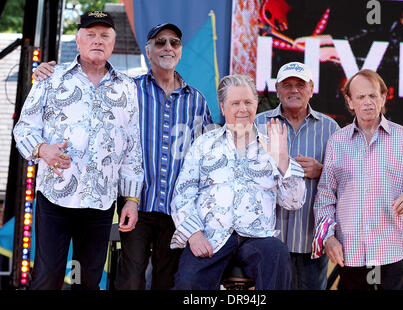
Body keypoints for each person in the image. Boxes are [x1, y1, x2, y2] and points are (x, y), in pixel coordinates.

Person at [33, 23, 214, 290]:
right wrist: (42, 74)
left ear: (180, 51)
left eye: (174, 43)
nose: (167, 47)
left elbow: (208, 154)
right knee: (129, 280)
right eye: (160, 42)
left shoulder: (197, 100)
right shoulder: (128, 89)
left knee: (167, 281)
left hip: (178, 207)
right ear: (148, 50)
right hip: (137, 202)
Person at [13, 11, 144, 290]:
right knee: (47, 277)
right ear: (78, 39)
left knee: (87, 281)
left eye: (104, 35)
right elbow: (23, 129)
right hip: (55, 200)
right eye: (91, 34)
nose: (97, 40)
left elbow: (132, 149)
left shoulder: (127, 88)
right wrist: (41, 149)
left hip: (100, 204)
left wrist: (131, 198)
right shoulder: (51, 77)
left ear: (113, 42)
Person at [170, 74, 307, 290]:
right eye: (235, 103)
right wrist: (194, 234)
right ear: (223, 108)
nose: (242, 109)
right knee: (188, 281)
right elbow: (182, 194)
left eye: (248, 102)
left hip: (258, 237)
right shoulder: (204, 144)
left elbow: (294, 202)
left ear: (256, 105)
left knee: (277, 256)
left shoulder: (273, 145)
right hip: (211, 236)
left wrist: (282, 160)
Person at [312, 69, 403, 290]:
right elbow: (324, 198)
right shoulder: (337, 142)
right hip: (350, 251)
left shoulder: (402, 137)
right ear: (350, 102)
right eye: (360, 97)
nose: (367, 102)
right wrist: (328, 237)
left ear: (383, 97)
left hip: (391, 248)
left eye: (372, 95)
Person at [254, 62, 339, 290]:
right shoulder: (258, 124)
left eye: (300, 85)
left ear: (311, 89)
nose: (294, 90)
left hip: (311, 238)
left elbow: (346, 181)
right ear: (278, 90)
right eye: (287, 85)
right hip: (269, 240)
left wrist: (322, 171)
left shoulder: (330, 128)